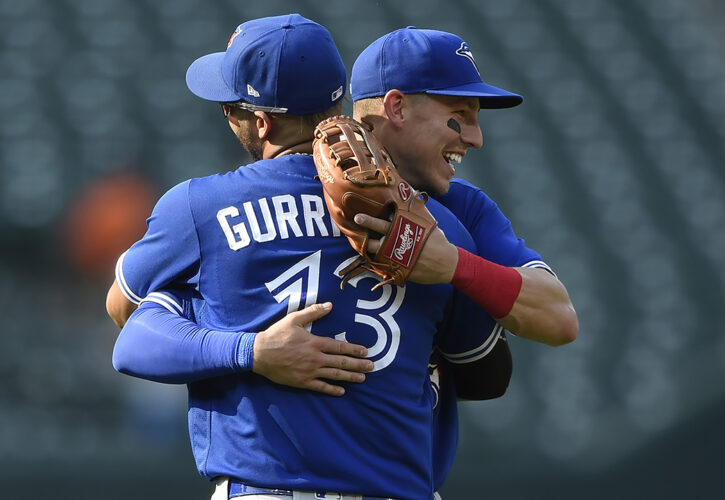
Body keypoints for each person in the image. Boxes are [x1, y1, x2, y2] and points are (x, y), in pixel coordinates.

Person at [108, 14, 506, 500]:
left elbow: (127, 322)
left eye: (228, 107)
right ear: (336, 101)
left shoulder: (199, 209)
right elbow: (486, 369)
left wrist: (248, 351)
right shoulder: (435, 229)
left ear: (260, 121)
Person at [347, 26, 579, 491]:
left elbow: (559, 318)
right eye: (460, 114)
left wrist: (453, 265)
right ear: (395, 108)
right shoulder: (291, 199)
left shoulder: (465, 207)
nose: (474, 137)